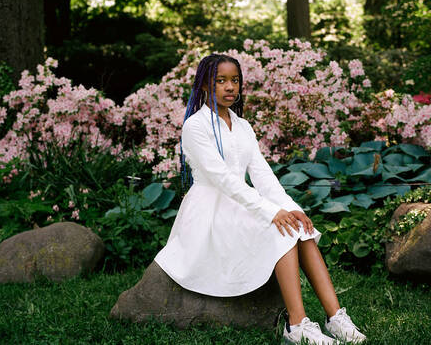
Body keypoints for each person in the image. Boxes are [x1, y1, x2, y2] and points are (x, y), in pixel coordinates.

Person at [154, 54, 366, 344]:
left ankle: (336, 317)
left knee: (300, 229)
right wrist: (270, 212)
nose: (230, 87)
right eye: (221, 81)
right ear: (205, 84)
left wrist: (292, 209)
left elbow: (263, 176)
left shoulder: (242, 126)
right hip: (211, 212)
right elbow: (224, 181)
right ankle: (297, 324)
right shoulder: (195, 126)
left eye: (235, 80)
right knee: (278, 230)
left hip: (241, 204)